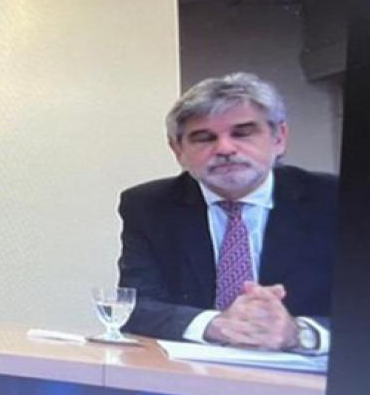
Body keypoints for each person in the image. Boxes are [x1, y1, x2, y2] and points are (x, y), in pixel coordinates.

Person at [117, 73, 337, 352]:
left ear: (279, 138)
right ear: (178, 150)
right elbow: (136, 306)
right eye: (203, 138)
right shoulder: (148, 205)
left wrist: (301, 333)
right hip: (194, 376)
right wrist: (216, 325)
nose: (224, 149)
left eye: (242, 133)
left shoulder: (336, 200)